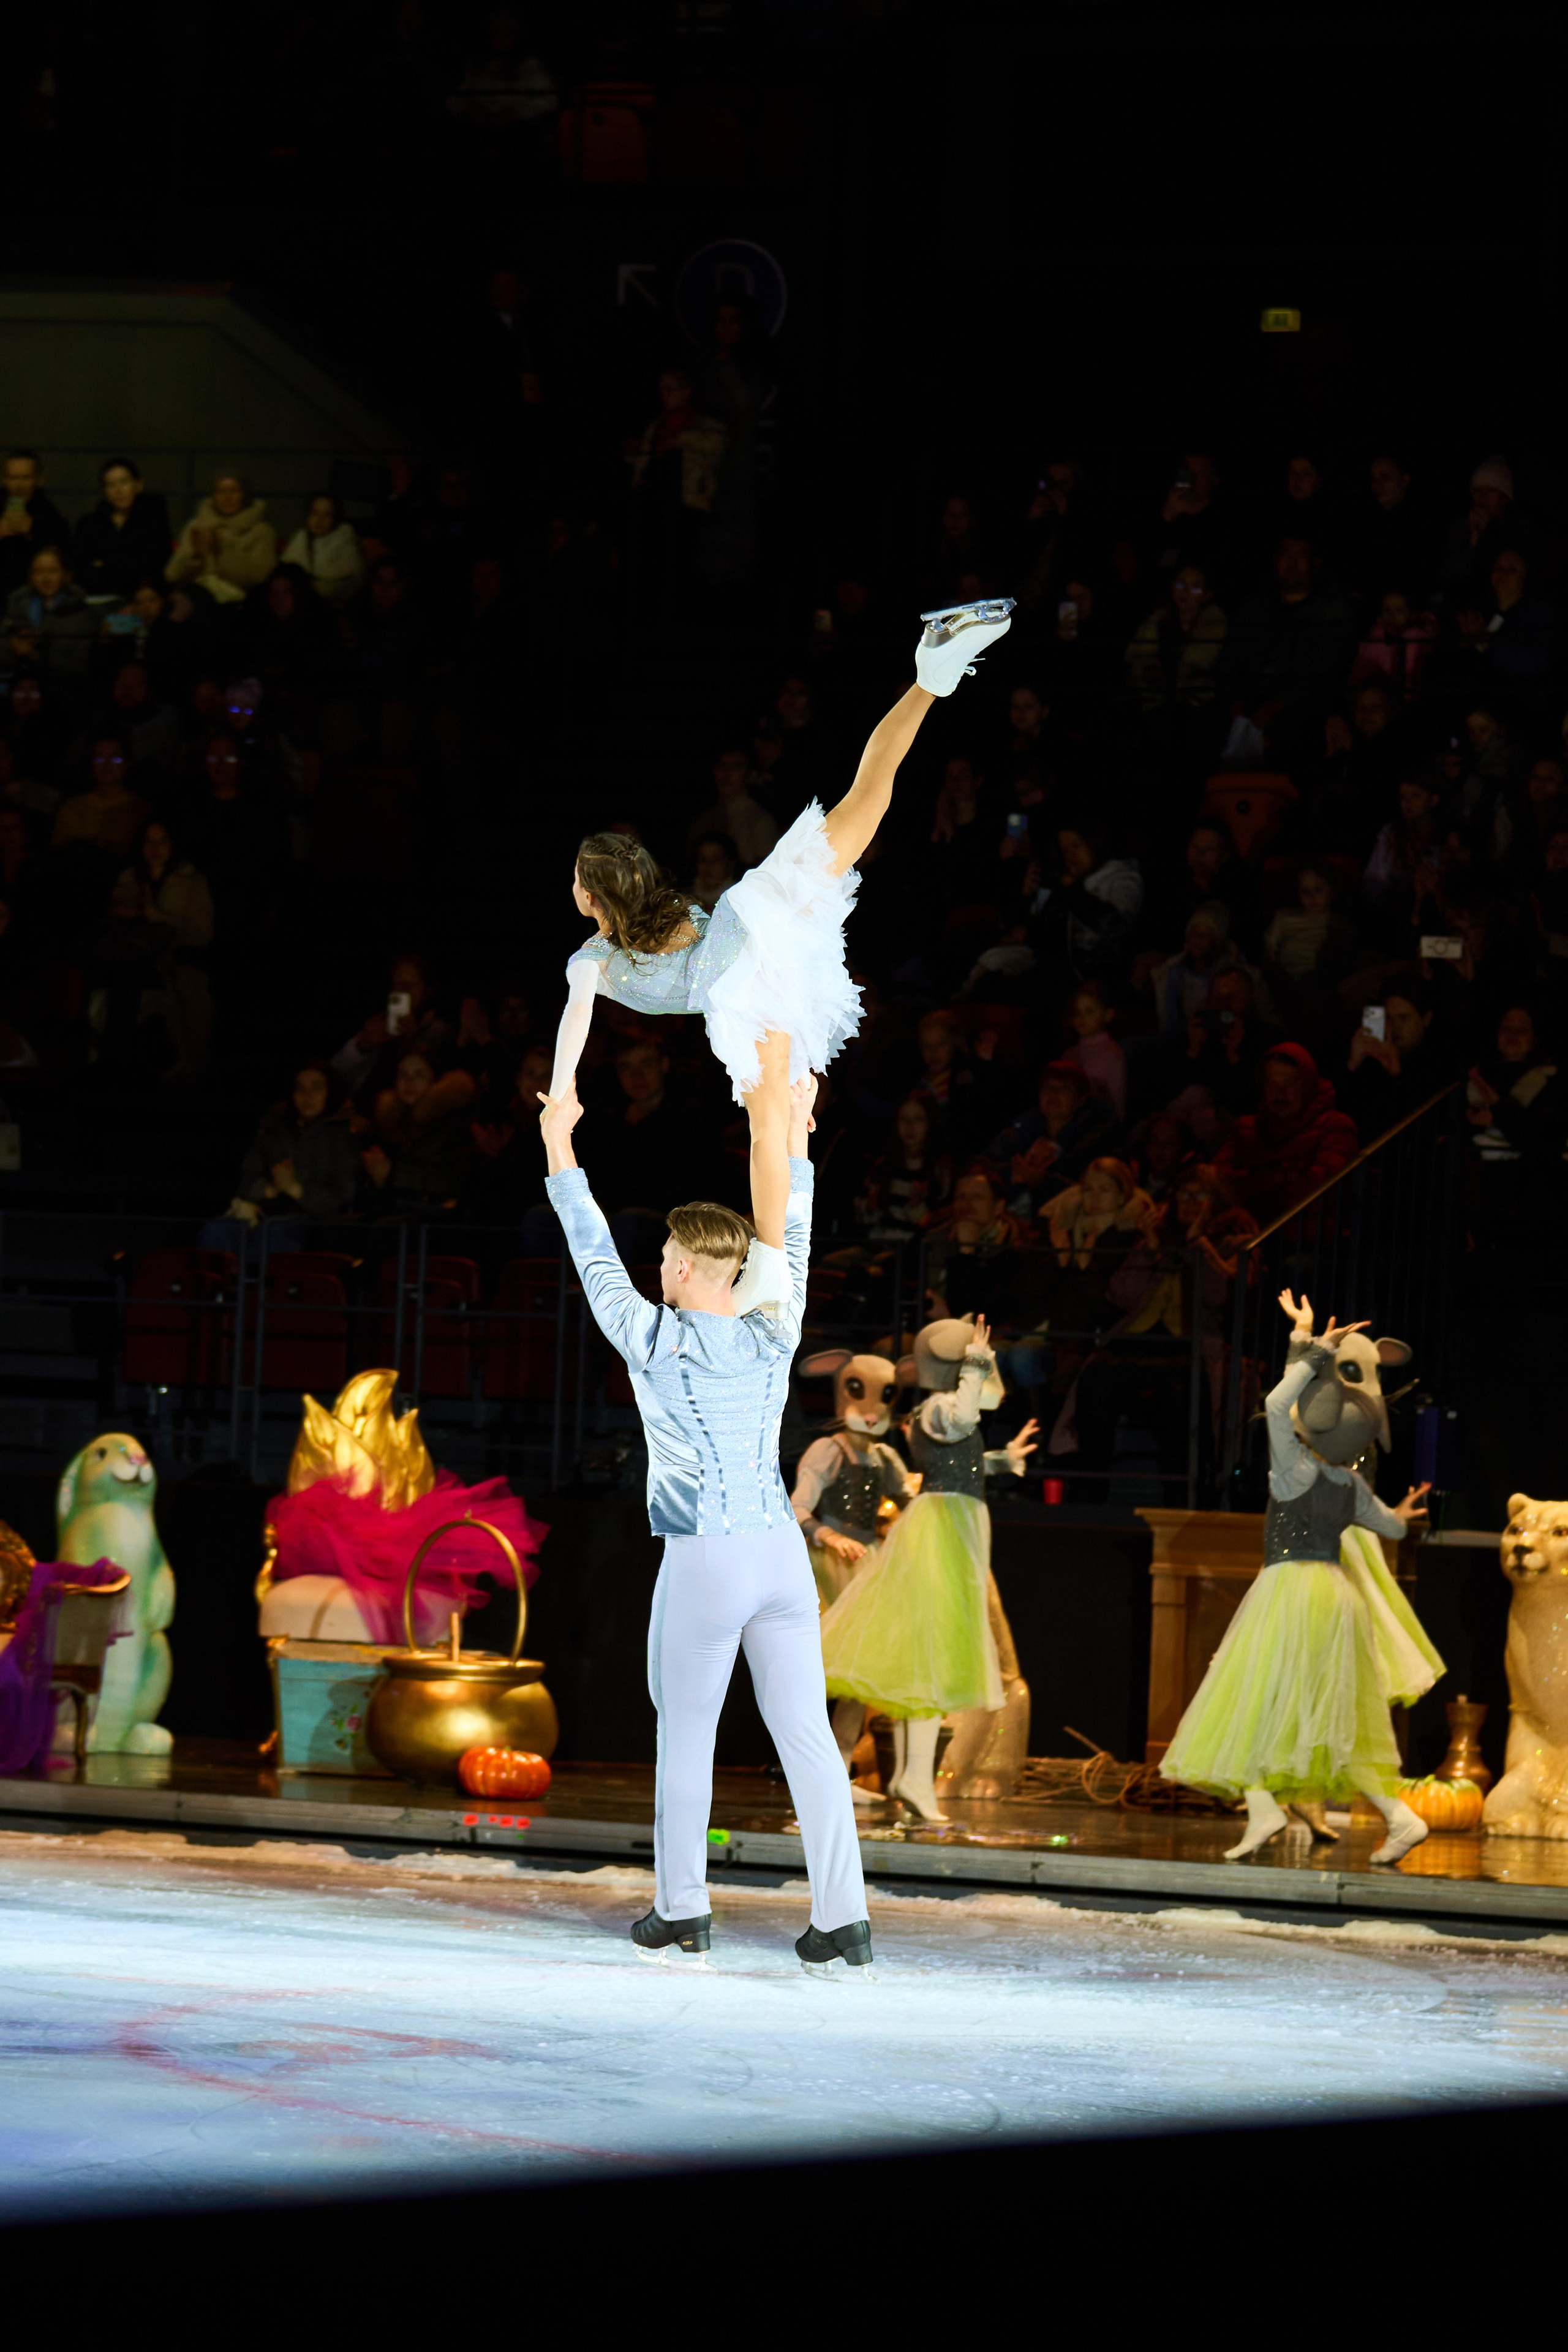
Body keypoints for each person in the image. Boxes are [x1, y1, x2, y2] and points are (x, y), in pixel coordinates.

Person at [547, 602, 1014, 1276]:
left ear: (590, 896)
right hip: (756, 914)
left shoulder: (591, 958)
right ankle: (931, 676)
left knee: (769, 1129)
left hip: (746, 973)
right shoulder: (655, 919)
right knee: (867, 800)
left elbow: (576, 1017)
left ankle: (770, 1267)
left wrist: (563, 1094)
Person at [541, 1072, 876, 1977]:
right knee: (803, 1728)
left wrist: (560, 1141)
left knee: (686, 1731)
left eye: (666, 1261)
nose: (656, 1270)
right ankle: (843, 1918)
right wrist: (796, 1137)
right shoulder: (777, 1328)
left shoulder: (655, 1339)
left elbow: (590, 1249)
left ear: (688, 1265)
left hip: (708, 1556)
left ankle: (683, 1907)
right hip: (779, 1555)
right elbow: (795, 1231)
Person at [1160, 1290, 1441, 1864]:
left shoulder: (1291, 1472)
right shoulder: (1351, 1486)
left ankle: (1265, 1808)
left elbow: (1276, 1398)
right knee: (1323, 1715)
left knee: (1252, 1701)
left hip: (1290, 1592)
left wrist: (1311, 1354)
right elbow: (1389, 1530)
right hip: (1336, 1597)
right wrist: (1304, 1340)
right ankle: (1395, 1815)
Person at [818, 1314, 1036, 1822]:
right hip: (942, 1530)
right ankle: (912, 1778)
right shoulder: (939, 1407)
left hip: (956, 1524)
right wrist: (978, 1363)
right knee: (932, 1652)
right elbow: (961, 1419)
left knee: (935, 1659)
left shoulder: (941, 1409)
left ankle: (914, 1777)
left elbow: (960, 1460)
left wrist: (1005, 1459)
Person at [1213, 1044, 1359, 1225]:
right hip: (1245, 1235)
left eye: (1291, 1082)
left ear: (1307, 1084)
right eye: (1271, 1082)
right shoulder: (1245, 1128)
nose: (1279, 1092)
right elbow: (1215, 1184)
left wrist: (1249, 1184)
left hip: (1308, 1240)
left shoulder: (1336, 1127)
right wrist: (1275, 1179)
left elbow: (1322, 1194)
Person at [226, 1063, 364, 1228]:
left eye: (316, 1088)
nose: (307, 1095)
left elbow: (345, 1198)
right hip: (263, 1214)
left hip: (313, 1223)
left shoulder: (343, 1134)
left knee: (279, 1233)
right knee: (215, 1231)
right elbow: (245, 1180)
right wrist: (270, 1189)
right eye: (300, 1089)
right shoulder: (274, 1128)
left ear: (330, 1092)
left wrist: (296, 1189)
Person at [165, 473, 278, 603]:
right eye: (221, 492)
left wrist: (223, 551)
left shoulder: (261, 532)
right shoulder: (196, 527)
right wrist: (195, 556)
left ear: (245, 495)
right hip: (196, 605)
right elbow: (172, 576)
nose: (227, 497)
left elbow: (261, 578)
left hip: (241, 605)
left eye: (234, 491)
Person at [2, 546, 97, 697]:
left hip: (62, 693)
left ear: (66, 575)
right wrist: (15, 650)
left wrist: (34, 656)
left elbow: (80, 667)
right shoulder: (16, 608)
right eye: (39, 572)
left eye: (53, 571)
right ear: (30, 576)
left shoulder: (80, 615)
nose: (46, 578)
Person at [71, 459, 172, 600]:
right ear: (105, 491)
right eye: (111, 485)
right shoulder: (89, 524)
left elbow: (154, 565)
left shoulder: (153, 520)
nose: (119, 491)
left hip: (140, 600)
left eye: (124, 482)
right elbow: (81, 570)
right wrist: (125, 562)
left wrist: (105, 564)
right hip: (97, 599)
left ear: (138, 485)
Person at [684, 745, 777, 870]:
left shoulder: (761, 821)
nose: (726, 772)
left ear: (750, 774)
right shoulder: (702, 820)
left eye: (736, 766)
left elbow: (767, 872)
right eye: (721, 765)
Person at [0, 451, 71, 599]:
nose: (18, 485)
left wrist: (33, 532)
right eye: (13, 478)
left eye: (25, 478)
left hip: (36, 598)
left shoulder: (51, 516)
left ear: (39, 480)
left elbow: (64, 561)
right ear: (5, 480)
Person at [281, 493, 365, 606]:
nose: (319, 520)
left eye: (327, 515)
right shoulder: (300, 540)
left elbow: (355, 584)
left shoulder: (345, 543)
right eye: (315, 513)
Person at [687, 831, 738, 912]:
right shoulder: (686, 899)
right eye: (703, 860)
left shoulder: (738, 899)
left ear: (730, 863)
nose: (709, 865)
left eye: (716, 860)